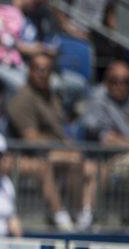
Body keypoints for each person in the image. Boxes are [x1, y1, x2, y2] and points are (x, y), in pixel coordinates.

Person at [6, 51, 97, 231]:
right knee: (72, 160)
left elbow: (60, 133)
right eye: (38, 69)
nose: (42, 73)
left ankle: (84, 216)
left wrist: (65, 145)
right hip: (25, 156)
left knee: (93, 168)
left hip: (52, 153)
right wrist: (61, 146)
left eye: (46, 70)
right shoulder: (22, 99)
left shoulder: (52, 98)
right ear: (29, 71)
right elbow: (31, 139)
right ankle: (62, 215)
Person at [82, 60, 129, 174]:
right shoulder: (98, 100)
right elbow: (108, 140)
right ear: (106, 82)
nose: (120, 85)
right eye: (115, 81)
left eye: (125, 81)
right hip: (106, 162)